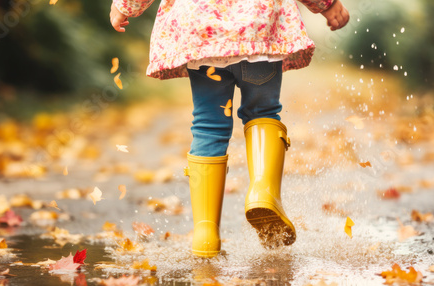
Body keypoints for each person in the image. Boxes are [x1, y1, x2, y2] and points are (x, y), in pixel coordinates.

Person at [109, 0, 349, 258]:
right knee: (262, 112)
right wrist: (326, 5)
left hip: (203, 33)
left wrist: (125, 6)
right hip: (259, 27)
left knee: (208, 126)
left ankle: (205, 235)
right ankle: (262, 193)